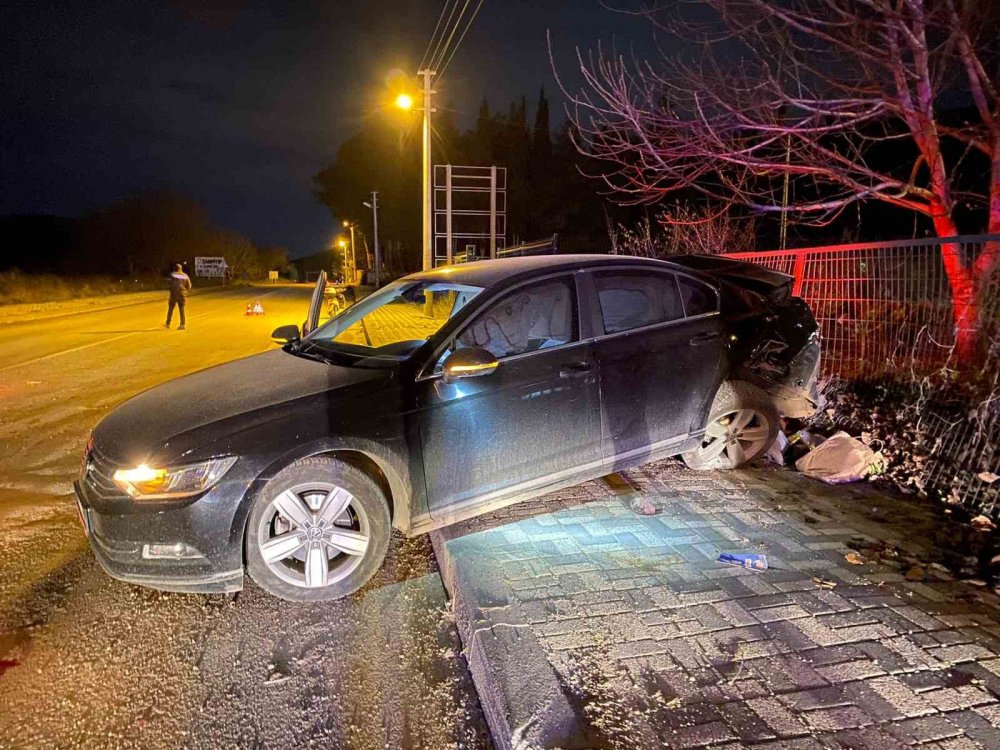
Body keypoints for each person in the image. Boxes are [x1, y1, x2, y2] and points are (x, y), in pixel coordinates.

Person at [165, 263, 191, 330]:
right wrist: (184, 291)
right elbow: (189, 286)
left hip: (173, 295)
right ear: (181, 269)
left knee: (170, 309)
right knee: (181, 310)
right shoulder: (185, 276)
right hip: (182, 295)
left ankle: (167, 324)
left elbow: (169, 283)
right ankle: (182, 325)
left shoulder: (172, 274)